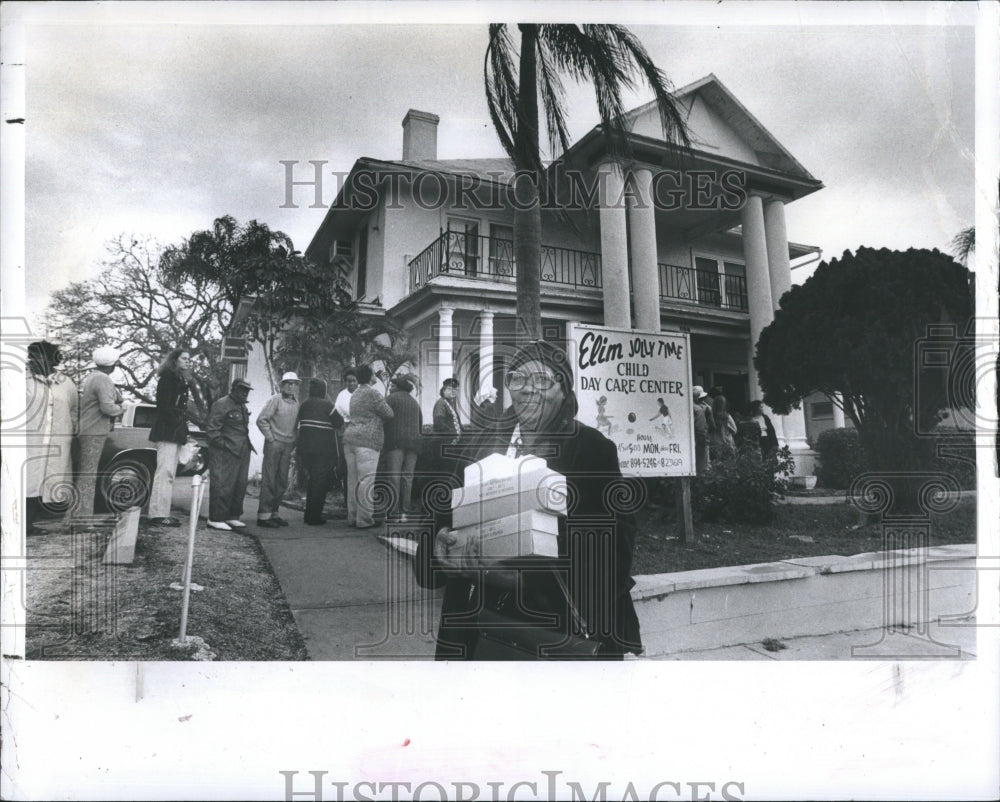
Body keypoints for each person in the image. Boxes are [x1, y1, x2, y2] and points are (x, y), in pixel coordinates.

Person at [414, 340, 642, 660]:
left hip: (551, 626)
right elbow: (442, 512)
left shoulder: (592, 450)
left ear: (564, 390)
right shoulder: (480, 441)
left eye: (542, 380)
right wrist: (438, 548)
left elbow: (613, 548)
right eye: (517, 379)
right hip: (472, 619)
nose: (528, 390)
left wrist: (522, 580)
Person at [24, 341, 78, 534]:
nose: (32, 361)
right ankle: (22, 524)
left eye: (37, 356)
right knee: (26, 479)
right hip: (29, 440)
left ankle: (29, 524)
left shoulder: (66, 383)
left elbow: (73, 410)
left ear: (50, 359)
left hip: (57, 441)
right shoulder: (21, 380)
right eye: (31, 356)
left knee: (48, 481)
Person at [342, 364, 394, 529]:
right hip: (367, 440)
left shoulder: (355, 393)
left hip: (350, 438)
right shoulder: (373, 393)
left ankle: (352, 517)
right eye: (374, 373)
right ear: (370, 376)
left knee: (352, 481)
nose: (375, 375)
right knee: (366, 481)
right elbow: (389, 413)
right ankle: (364, 520)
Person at [76, 346, 124, 517]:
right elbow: (108, 408)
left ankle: (75, 516)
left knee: (85, 474)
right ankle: (83, 519)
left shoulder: (93, 377)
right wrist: (121, 408)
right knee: (88, 475)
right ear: (111, 364)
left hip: (88, 429)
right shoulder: (103, 379)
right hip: (94, 431)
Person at [147, 347, 192, 526]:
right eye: (185, 358)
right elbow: (163, 406)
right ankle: (157, 514)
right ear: (175, 360)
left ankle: (162, 512)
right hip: (167, 431)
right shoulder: (167, 379)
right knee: (164, 472)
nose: (188, 362)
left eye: (189, 359)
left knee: (169, 473)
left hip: (174, 431)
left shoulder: (179, 379)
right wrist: (176, 424)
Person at [205, 378, 256, 531]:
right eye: (241, 389)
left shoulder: (241, 406)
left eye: (246, 390)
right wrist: (225, 446)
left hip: (241, 450)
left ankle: (232, 516)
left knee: (239, 485)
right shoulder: (222, 404)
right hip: (225, 451)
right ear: (233, 388)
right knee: (222, 484)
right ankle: (216, 518)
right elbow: (212, 430)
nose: (244, 393)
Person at [255, 371, 301, 528]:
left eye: (294, 383)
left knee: (281, 480)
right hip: (274, 444)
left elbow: (296, 426)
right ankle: (263, 516)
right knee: (269, 479)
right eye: (288, 383)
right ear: (282, 385)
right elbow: (261, 420)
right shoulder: (275, 400)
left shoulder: (296, 403)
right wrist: (270, 437)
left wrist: (294, 442)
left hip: (288, 445)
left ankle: (274, 513)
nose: (291, 386)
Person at [296, 379, 337, 525]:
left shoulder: (304, 405)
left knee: (312, 480)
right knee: (320, 482)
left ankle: (308, 515)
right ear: (323, 390)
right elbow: (338, 422)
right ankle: (314, 517)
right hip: (323, 450)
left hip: (305, 450)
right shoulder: (327, 405)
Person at [383, 374, 423, 522]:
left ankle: (393, 513)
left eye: (392, 386)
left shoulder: (391, 399)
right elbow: (420, 423)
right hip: (414, 445)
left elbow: (384, 419)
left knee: (394, 477)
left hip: (395, 443)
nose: (390, 389)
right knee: (407, 478)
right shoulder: (414, 402)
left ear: (398, 387)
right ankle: (405, 513)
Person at [332, 368, 358, 500]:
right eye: (349, 381)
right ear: (345, 382)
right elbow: (339, 413)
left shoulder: (361, 393)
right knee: (347, 467)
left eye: (354, 381)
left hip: (360, 432)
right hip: (346, 430)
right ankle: (348, 500)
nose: (352, 383)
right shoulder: (342, 395)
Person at [691, 386, 714, 475]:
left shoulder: (695, 407)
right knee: (702, 466)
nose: (703, 400)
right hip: (700, 439)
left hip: (695, 439)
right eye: (701, 398)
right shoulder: (698, 409)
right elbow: (702, 428)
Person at [709, 392, 738, 462]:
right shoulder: (727, 416)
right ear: (724, 404)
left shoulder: (710, 416)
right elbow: (735, 431)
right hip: (726, 444)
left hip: (713, 444)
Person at [432, 378, 462, 443]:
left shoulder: (450, 403)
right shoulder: (441, 403)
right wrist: (452, 434)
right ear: (443, 390)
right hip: (445, 441)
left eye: (455, 389)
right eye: (449, 389)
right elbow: (439, 423)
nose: (453, 391)